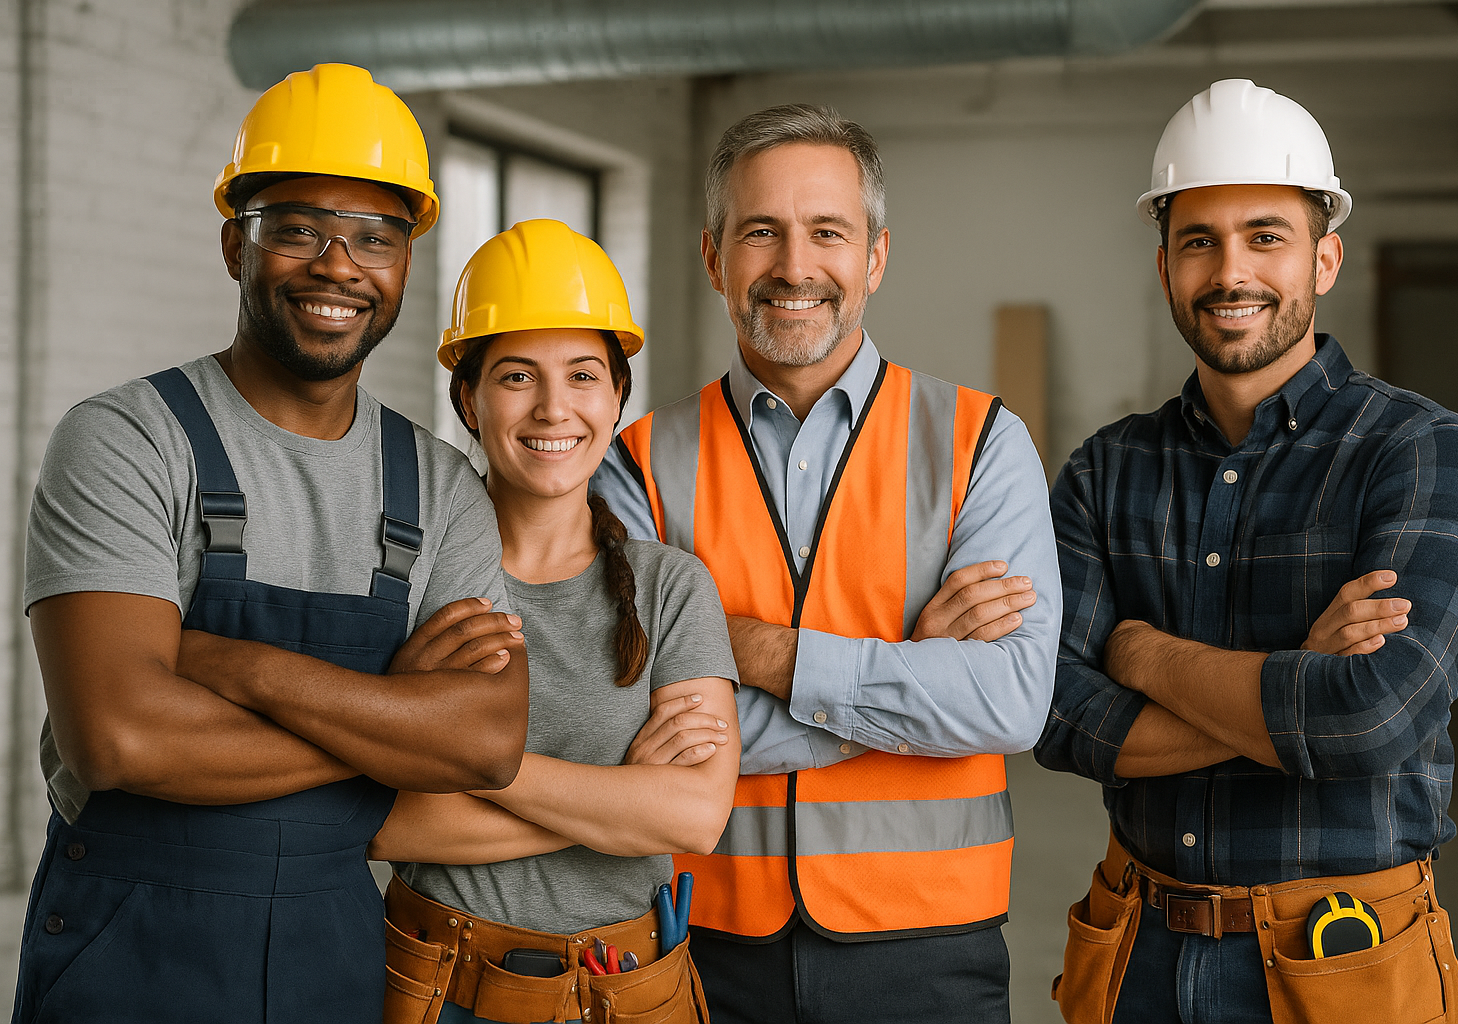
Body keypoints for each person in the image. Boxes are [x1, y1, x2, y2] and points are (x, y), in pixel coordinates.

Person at [12, 64, 529, 1024]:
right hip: (128, 950)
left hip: (333, 951)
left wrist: (230, 667)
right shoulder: (128, 438)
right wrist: (399, 722)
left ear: (406, 263)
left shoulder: (442, 484)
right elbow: (121, 738)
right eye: (298, 229)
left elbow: (486, 742)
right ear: (232, 245)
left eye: (377, 237)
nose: (340, 266)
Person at [1036, 79, 1458, 1024]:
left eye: (1266, 236)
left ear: (1324, 259)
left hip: (1346, 956)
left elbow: (1367, 723)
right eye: (1198, 240)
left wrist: (1139, 654)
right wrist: (1297, 684)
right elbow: (1053, 715)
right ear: (1164, 266)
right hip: (1139, 955)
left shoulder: (1423, 452)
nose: (1230, 272)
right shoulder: (1107, 468)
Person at [591, 104, 1062, 1024]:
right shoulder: (635, 464)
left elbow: (1009, 701)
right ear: (713, 257)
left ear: (875, 257)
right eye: (760, 231)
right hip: (701, 941)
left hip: (933, 947)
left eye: (827, 233)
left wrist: (751, 655)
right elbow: (616, 721)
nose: (794, 267)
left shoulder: (981, 445)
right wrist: (907, 681)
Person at [366, 219, 740, 1024]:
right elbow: (380, 823)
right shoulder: (408, 578)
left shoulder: (671, 586)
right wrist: (619, 804)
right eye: (515, 376)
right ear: (467, 397)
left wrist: (470, 764)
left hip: (630, 991)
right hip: (436, 987)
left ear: (615, 397)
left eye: (581, 374)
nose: (553, 408)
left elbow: (694, 816)